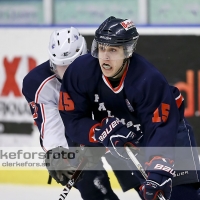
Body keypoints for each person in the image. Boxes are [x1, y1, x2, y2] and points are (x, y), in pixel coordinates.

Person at [59, 16, 200, 200]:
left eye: (113, 50)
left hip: (169, 137)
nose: (105, 57)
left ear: (127, 51)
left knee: (180, 196)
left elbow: (161, 128)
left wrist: (158, 172)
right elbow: (72, 118)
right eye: (102, 48)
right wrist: (98, 131)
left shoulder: (147, 79)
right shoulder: (80, 72)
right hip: (125, 147)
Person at [22, 27, 141, 200]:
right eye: (61, 67)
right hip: (74, 136)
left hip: (113, 129)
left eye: (72, 67)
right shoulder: (39, 83)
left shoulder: (107, 68)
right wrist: (57, 153)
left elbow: (123, 110)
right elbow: (50, 123)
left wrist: (102, 143)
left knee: (143, 182)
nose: (68, 74)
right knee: (95, 190)